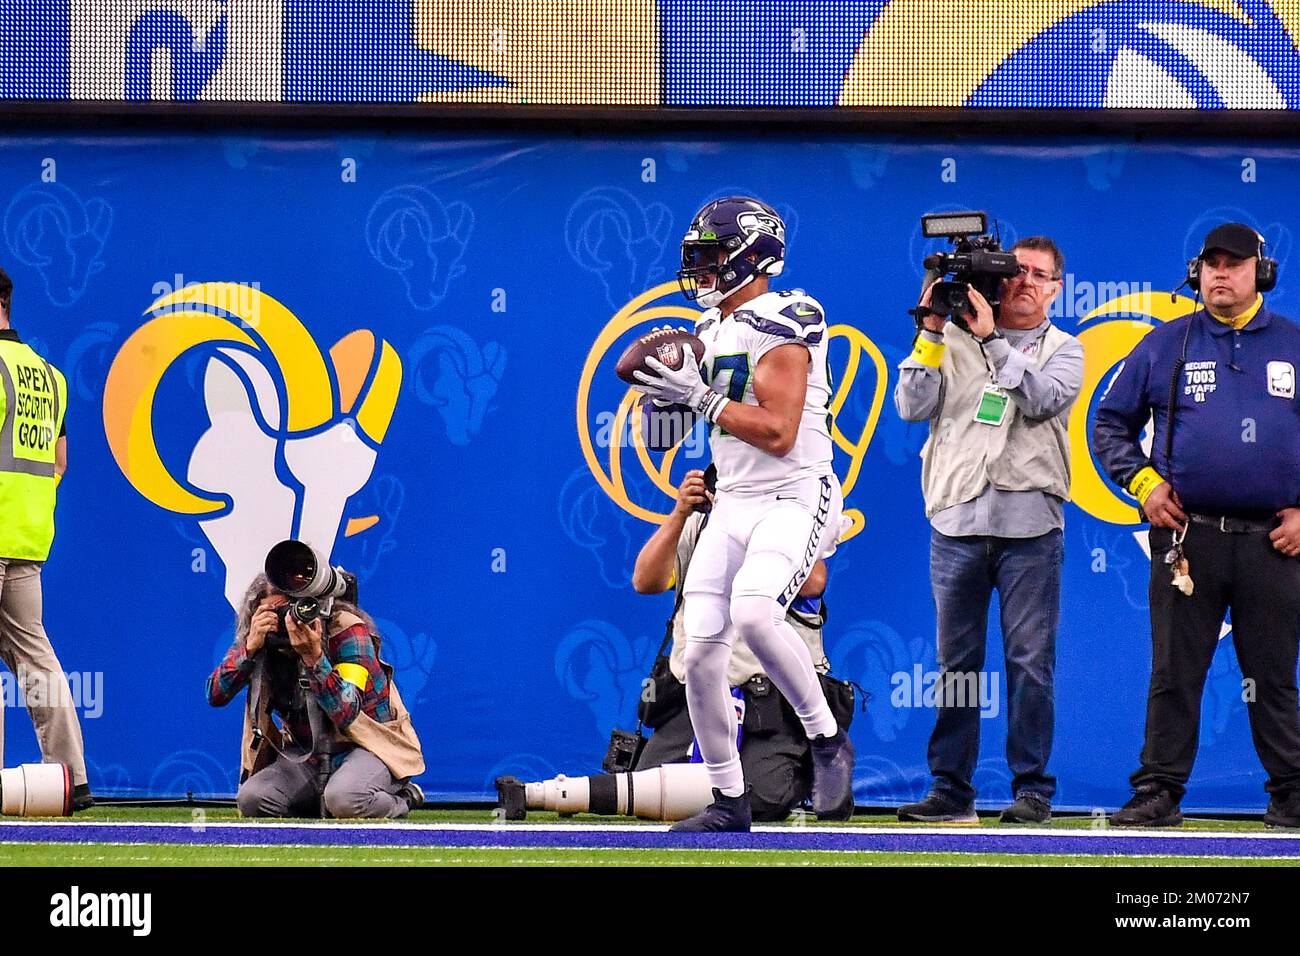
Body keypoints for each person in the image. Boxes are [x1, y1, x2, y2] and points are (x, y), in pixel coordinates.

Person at [628, 196, 854, 832]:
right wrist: (659, 397)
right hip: (735, 499)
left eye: (709, 256)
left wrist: (697, 394)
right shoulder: (706, 332)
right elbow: (668, 433)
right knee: (697, 652)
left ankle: (827, 738)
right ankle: (730, 801)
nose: (699, 269)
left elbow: (779, 431)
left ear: (749, 254)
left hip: (796, 492)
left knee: (756, 611)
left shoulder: (792, 316)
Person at [495, 468, 853, 823]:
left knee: (765, 792)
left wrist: (756, 533)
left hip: (771, 702)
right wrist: (681, 513)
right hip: (701, 692)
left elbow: (813, 582)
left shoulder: (789, 523)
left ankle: (812, 763)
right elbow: (645, 579)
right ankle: (553, 794)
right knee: (652, 777)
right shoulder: (702, 531)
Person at [1093, 222, 1300, 828]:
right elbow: (1109, 423)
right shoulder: (1164, 344)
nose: (1220, 274)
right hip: (1188, 539)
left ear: (1259, 273)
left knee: (1272, 676)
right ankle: (1158, 792)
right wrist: (1144, 485)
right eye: (1210, 264)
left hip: (1275, 543)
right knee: (1174, 674)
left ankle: (1291, 792)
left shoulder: (1294, 343)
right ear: (1196, 273)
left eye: (1234, 264)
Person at [894, 237, 1083, 824]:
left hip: (1031, 528)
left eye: (1039, 275)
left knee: (1030, 662)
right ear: (999, 279)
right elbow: (910, 405)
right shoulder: (947, 338)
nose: (1026, 281)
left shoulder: (1066, 348)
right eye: (1017, 271)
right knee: (956, 666)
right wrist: (929, 329)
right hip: (955, 521)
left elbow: (1042, 399)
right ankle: (950, 791)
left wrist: (991, 340)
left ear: (1056, 287)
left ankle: (1032, 790)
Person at [207, 572, 425, 818]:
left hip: (369, 745)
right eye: (272, 614)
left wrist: (314, 658)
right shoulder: (259, 636)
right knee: (252, 799)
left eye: (291, 611)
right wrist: (248, 649)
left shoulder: (346, 631)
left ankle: (402, 799)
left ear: (310, 608)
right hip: (307, 752)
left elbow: (347, 713)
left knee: (345, 800)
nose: (283, 621)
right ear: (256, 614)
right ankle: (326, 800)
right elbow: (215, 694)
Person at [0, 266, 92, 812]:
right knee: (38, 665)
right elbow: (58, 463)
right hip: (29, 541)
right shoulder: (49, 377)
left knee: (35, 663)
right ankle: (71, 780)